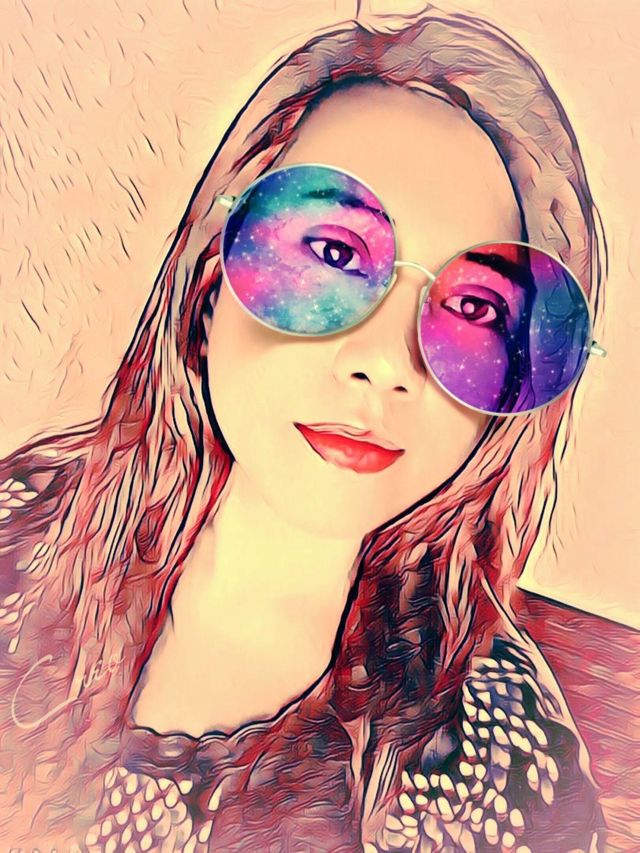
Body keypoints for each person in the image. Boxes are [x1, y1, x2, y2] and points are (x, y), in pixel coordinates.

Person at [0, 6, 608, 851]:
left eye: (476, 309)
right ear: (208, 282)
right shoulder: (16, 529)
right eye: (332, 253)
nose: (387, 363)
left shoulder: (494, 764)